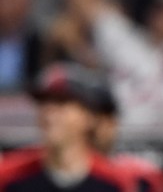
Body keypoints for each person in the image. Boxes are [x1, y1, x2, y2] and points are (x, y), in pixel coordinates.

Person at [0, 63, 135, 192]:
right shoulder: (10, 177)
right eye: (43, 103)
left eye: (61, 102)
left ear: (89, 116)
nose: (49, 113)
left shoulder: (112, 182)